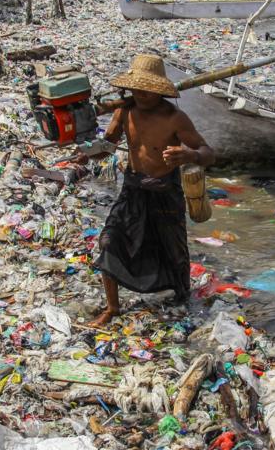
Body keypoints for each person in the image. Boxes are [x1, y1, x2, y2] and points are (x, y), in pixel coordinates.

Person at [83, 54, 215, 327]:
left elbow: (208, 153)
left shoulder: (175, 118)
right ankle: (112, 307)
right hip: (133, 189)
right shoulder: (124, 112)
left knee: (174, 250)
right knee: (109, 240)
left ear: (159, 89)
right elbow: (106, 146)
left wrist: (189, 155)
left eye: (149, 89)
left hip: (166, 191)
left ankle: (182, 298)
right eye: (137, 89)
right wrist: (85, 154)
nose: (142, 94)